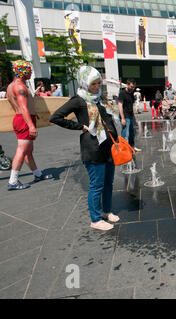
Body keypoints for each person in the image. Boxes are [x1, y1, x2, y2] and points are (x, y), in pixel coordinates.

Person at [50, 66, 120, 231]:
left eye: (98, 83)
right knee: (97, 185)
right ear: (84, 83)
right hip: (93, 148)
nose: (97, 87)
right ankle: (95, 219)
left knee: (108, 182)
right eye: (93, 84)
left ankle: (106, 211)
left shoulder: (99, 98)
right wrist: (80, 127)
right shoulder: (79, 100)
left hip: (108, 147)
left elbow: (108, 119)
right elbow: (56, 117)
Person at [6, 60, 53, 190]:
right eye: (29, 70)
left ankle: (37, 174)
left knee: (28, 151)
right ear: (22, 71)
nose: (31, 72)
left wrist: (33, 116)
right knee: (22, 150)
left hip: (22, 119)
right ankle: (13, 180)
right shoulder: (20, 87)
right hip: (24, 120)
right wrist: (31, 125)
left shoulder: (12, 85)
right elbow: (23, 107)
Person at [118, 78, 141, 152]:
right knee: (124, 133)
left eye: (133, 87)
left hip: (130, 116)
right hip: (125, 116)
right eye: (131, 87)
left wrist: (134, 118)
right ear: (127, 85)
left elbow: (131, 106)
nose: (132, 88)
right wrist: (122, 118)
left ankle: (132, 147)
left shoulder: (131, 93)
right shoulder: (122, 93)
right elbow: (120, 105)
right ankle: (123, 149)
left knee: (132, 133)